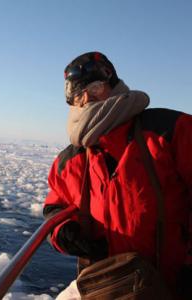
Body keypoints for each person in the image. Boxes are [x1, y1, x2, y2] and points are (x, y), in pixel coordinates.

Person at [43, 51, 192, 298]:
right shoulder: (70, 161)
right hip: (113, 286)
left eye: (96, 88)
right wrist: (64, 232)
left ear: (113, 86)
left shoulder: (171, 131)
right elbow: (54, 208)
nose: (87, 100)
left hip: (175, 282)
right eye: (78, 96)